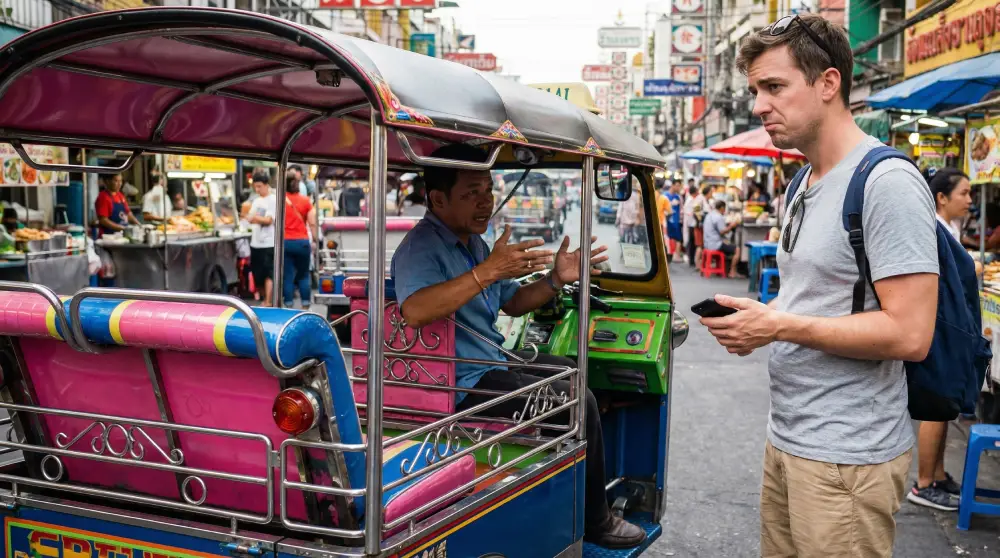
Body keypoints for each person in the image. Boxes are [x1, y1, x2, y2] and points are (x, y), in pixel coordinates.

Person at [702, 14, 938, 557]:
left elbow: (909, 333)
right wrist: (759, 315)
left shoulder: (887, 183)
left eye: (774, 87)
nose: (759, 105)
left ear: (828, 83)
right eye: (756, 89)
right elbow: (817, 296)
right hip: (788, 435)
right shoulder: (803, 180)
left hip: (847, 455)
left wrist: (778, 324)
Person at [391, 144, 646, 549]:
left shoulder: (474, 241)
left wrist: (556, 279)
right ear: (437, 199)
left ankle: (567, 493)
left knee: (569, 370)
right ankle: (596, 519)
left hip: (491, 362)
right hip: (458, 385)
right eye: (471, 193)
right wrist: (486, 271)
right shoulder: (420, 249)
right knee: (580, 400)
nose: (485, 202)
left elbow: (512, 301)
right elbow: (416, 311)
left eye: (488, 190)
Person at [901, 168, 972, 512]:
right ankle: (924, 483)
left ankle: (938, 473)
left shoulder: (951, 228)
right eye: (964, 193)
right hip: (938, 330)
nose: (970, 201)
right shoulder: (932, 230)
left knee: (946, 410)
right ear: (942, 197)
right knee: (936, 406)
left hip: (947, 328)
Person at [282, 174, 315, 308]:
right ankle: (305, 306)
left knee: (288, 276)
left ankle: (288, 305)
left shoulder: (280, 200)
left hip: (286, 242)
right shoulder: (306, 201)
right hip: (302, 242)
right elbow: (312, 222)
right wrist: (315, 239)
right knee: (304, 275)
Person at [247, 173, 277, 307]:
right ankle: (264, 298)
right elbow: (249, 217)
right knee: (257, 273)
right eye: (255, 187)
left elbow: (269, 220)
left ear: (266, 184)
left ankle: (268, 301)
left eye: (259, 186)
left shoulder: (273, 199)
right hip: (255, 242)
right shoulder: (256, 200)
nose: (257, 190)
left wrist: (254, 218)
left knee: (268, 273)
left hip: (268, 243)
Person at [702, 200, 742, 278]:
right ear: (722, 208)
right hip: (715, 244)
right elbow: (722, 232)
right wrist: (732, 226)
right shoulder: (718, 217)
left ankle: (727, 269)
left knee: (727, 244)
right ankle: (732, 272)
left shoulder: (709, 215)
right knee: (737, 249)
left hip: (707, 243)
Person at [682, 184, 703, 267]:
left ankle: (692, 260)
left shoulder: (690, 199)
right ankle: (692, 261)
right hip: (692, 224)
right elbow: (696, 212)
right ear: (695, 193)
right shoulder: (693, 200)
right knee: (694, 243)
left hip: (690, 223)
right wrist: (699, 220)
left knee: (691, 243)